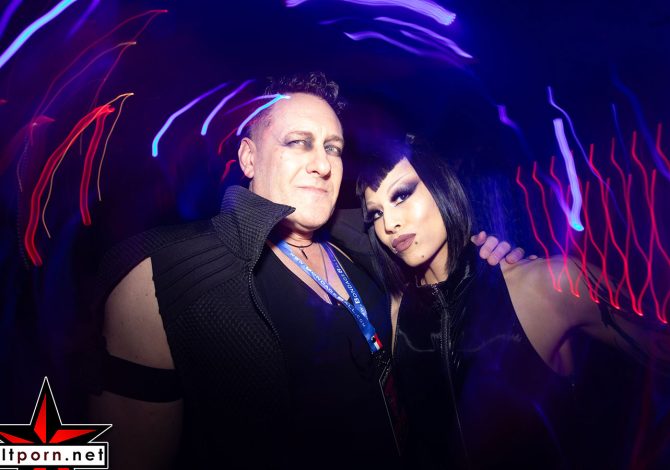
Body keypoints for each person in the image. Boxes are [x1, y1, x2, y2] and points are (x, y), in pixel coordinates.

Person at [88, 73, 520, 469]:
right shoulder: (165, 276)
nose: (323, 164)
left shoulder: (364, 243)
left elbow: (436, 269)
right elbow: (112, 457)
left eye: (332, 147)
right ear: (249, 158)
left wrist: (484, 259)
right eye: (298, 142)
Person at [357, 138, 670, 468]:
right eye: (376, 213)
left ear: (441, 186)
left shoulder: (546, 284)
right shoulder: (396, 311)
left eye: (401, 195)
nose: (389, 225)